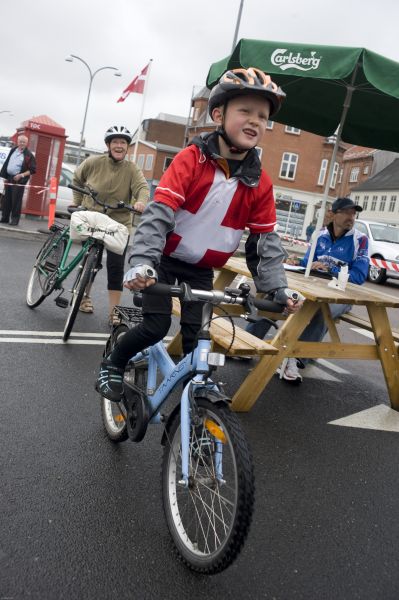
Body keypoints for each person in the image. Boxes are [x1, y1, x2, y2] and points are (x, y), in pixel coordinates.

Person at [95, 67, 305, 402]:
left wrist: (277, 288)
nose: (255, 121)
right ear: (219, 114)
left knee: (199, 343)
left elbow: (265, 243)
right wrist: (142, 263)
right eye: (245, 111)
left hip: (201, 271)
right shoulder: (191, 160)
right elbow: (159, 214)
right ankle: (114, 361)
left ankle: (192, 416)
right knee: (156, 327)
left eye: (263, 116)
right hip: (162, 261)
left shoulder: (260, 182)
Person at [248, 197, 370, 384]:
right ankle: (250, 343)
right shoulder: (319, 235)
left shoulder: (360, 240)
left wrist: (331, 269)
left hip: (342, 295)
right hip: (313, 287)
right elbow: (307, 264)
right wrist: (296, 262)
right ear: (333, 214)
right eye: (346, 212)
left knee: (321, 311)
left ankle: (296, 359)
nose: (351, 217)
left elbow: (359, 276)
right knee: (276, 294)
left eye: (353, 213)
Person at [72, 125, 149, 325]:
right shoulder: (93, 162)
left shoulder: (132, 169)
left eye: (123, 142)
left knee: (116, 267)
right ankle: (84, 297)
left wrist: (141, 201)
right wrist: (77, 201)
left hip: (118, 222)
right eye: (115, 142)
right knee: (91, 261)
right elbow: (77, 179)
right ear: (108, 145)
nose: (119, 145)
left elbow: (142, 187)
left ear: (127, 147)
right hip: (93, 216)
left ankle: (114, 311)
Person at [0, 135, 36, 226]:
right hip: (9, 178)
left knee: (16, 201)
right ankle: (5, 218)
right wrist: (4, 177)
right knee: (6, 199)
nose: (22, 143)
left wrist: (21, 175)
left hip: (19, 180)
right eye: (20, 141)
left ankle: (15, 220)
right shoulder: (13, 150)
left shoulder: (29, 155)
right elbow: (7, 162)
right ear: (18, 142)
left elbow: (32, 170)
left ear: (26, 143)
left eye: (24, 142)